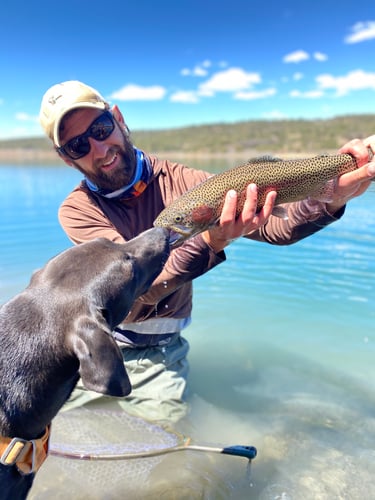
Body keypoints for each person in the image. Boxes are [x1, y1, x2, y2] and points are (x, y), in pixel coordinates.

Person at [39, 80, 375, 422]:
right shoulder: (78, 209)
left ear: (118, 118)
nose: (98, 148)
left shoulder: (186, 182)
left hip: (159, 354)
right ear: (66, 158)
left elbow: (278, 228)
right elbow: (134, 290)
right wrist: (210, 242)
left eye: (101, 128)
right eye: (79, 145)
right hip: (89, 348)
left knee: (167, 444)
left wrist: (331, 197)